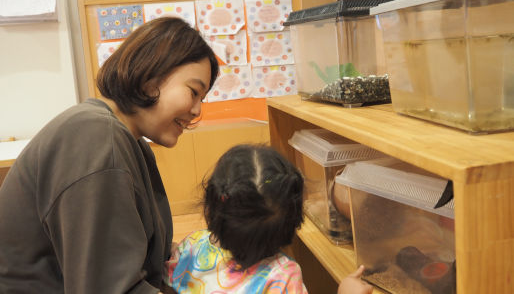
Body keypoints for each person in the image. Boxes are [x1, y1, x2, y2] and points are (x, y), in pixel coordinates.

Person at [0, 17, 219, 294]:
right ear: (151, 77)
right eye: (194, 92)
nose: (198, 110)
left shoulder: (128, 140)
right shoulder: (94, 137)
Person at [164, 144, 374, 294]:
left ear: (211, 207)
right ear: (294, 222)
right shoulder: (282, 276)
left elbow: (167, 281)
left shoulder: (192, 246)